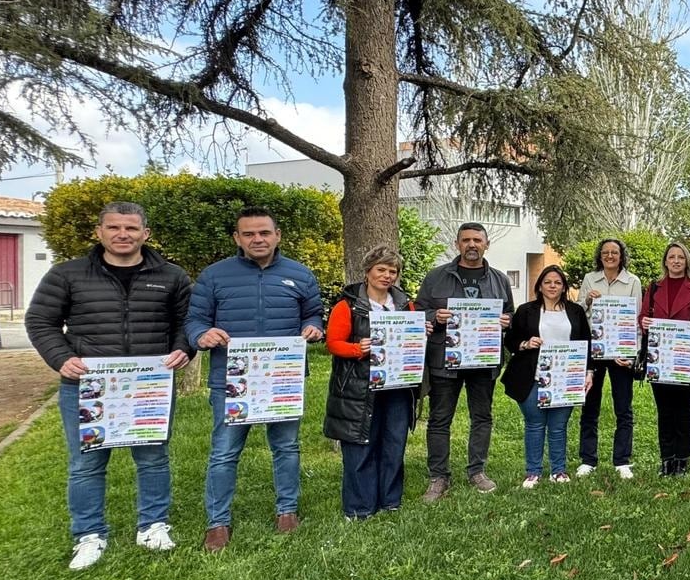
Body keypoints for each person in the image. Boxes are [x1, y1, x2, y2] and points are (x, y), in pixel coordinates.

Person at [25, 201, 192, 570]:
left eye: (131, 229)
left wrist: (183, 349)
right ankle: (89, 535)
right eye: (114, 228)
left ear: (145, 234)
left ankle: (153, 525)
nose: (123, 235)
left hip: (149, 385)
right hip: (87, 384)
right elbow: (40, 321)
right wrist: (60, 358)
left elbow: (186, 323)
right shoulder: (67, 274)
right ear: (99, 232)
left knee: (152, 459)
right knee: (86, 464)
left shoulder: (171, 276)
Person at [188, 206, 324, 551]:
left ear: (277, 235)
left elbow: (313, 313)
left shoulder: (300, 274)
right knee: (224, 451)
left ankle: (287, 511)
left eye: (264, 232)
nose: (257, 239)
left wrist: (313, 327)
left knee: (287, 447)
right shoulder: (215, 275)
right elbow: (195, 321)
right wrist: (202, 335)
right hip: (230, 379)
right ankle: (218, 522)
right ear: (237, 238)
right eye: (248, 234)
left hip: (282, 378)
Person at [415, 223, 513, 501]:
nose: (472, 244)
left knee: (481, 416)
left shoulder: (499, 280)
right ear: (457, 244)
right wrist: (435, 316)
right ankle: (438, 476)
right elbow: (419, 312)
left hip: (483, 359)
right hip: (445, 359)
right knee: (439, 419)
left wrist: (506, 323)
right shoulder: (436, 277)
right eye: (466, 240)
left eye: (477, 240)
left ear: (486, 244)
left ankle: (477, 471)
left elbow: (510, 314)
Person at [324, 246, 422, 519]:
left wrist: (419, 332)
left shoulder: (405, 304)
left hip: (398, 385)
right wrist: (358, 349)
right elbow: (333, 343)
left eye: (393, 271)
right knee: (360, 445)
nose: (387, 276)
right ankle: (359, 507)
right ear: (367, 272)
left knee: (394, 443)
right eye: (381, 269)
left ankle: (390, 501)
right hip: (359, 386)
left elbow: (411, 343)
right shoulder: (347, 305)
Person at [504, 264, 594, 487]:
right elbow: (510, 341)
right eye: (548, 282)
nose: (552, 286)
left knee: (558, 425)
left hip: (566, 377)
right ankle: (533, 471)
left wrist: (589, 371)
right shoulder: (526, 310)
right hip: (531, 375)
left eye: (557, 282)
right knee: (534, 424)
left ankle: (558, 470)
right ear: (540, 286)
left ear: (564, 287)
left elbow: (586, 342)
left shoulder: (575, 311)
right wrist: (526, 343)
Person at [576, 238, 643, 480]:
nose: (610, 256)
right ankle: (588, 459)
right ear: (600, 256)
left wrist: (632, 353)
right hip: (594, 349)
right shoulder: (589, 279)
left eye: (614, 252)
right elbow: (579, 313)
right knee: (589, 405)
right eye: (605, 252)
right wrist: (588, 300)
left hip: (620, 351)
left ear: (621, 256)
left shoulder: (633, 281)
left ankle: (622, 461)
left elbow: (637, 319)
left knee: (623, 407)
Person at [641, 242, 690, 475]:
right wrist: (644, 323)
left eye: (681, 257)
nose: (676, 261)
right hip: (659, 356)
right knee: (665, 410)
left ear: (686, 261)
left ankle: (683, 459)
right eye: (672, 257)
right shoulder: (654, 287)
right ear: (665, 261)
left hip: (685, 357)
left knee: (684, 409)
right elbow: (643, 317)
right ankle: (667, 458)